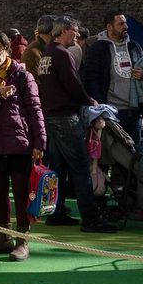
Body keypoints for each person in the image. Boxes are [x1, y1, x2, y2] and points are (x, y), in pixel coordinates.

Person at [35, 16, 116, 234]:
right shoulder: (62, 55)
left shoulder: (47, 54)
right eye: (75, 30)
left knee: (59, 167)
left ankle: (57, 211)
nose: (78, 35)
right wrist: (90, 101)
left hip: (51, 115)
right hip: (65, 116)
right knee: (80, 168)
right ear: (63, 31)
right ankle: (90, 217)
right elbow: (73, 84)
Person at [0, 30, 44, 261]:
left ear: (8, 50)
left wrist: (40, 142)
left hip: (20, 144)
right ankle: (2, 236)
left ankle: (23, 240)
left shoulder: (22, 76)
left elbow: (35, 110)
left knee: (22, 193)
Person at [81, 10, 143, 142]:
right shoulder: (98, 48)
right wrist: (100, 109)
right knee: (112, 156)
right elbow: (90, 80)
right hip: (111, 112)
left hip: (134, 111)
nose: (126, 27)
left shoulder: (134, 47)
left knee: (135, 153)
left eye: (126, 23)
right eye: (121, 24)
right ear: (109, 26)